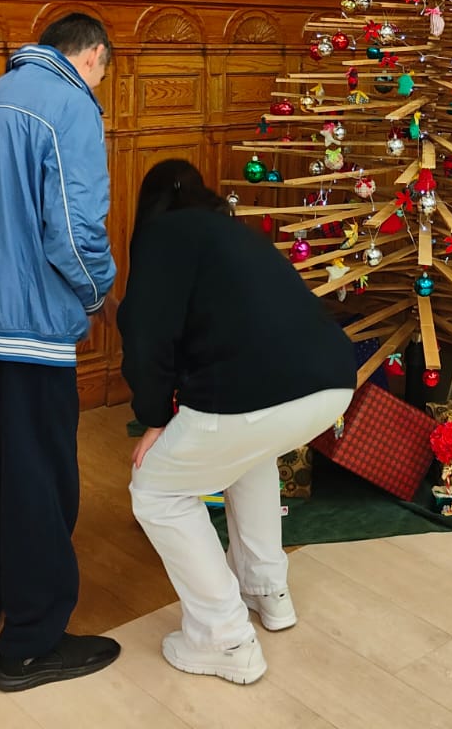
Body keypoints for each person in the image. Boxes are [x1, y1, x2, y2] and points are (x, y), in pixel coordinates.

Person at [0, 13, 120, 693]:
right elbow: (73, 227)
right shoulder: (70, 105)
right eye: (104, 71)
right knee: (40, 485)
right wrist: (97, 294)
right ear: (93, 56)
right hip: (27, 329)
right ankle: (32, 645)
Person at [118, 158, 354, 685]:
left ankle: (223, 637)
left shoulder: (160, 237)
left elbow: (144, 336)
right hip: (333, 380)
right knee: (249, 456)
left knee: (156, 492)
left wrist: (153, 419)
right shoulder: (232, 233)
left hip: (255, 390)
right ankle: (267, 591)